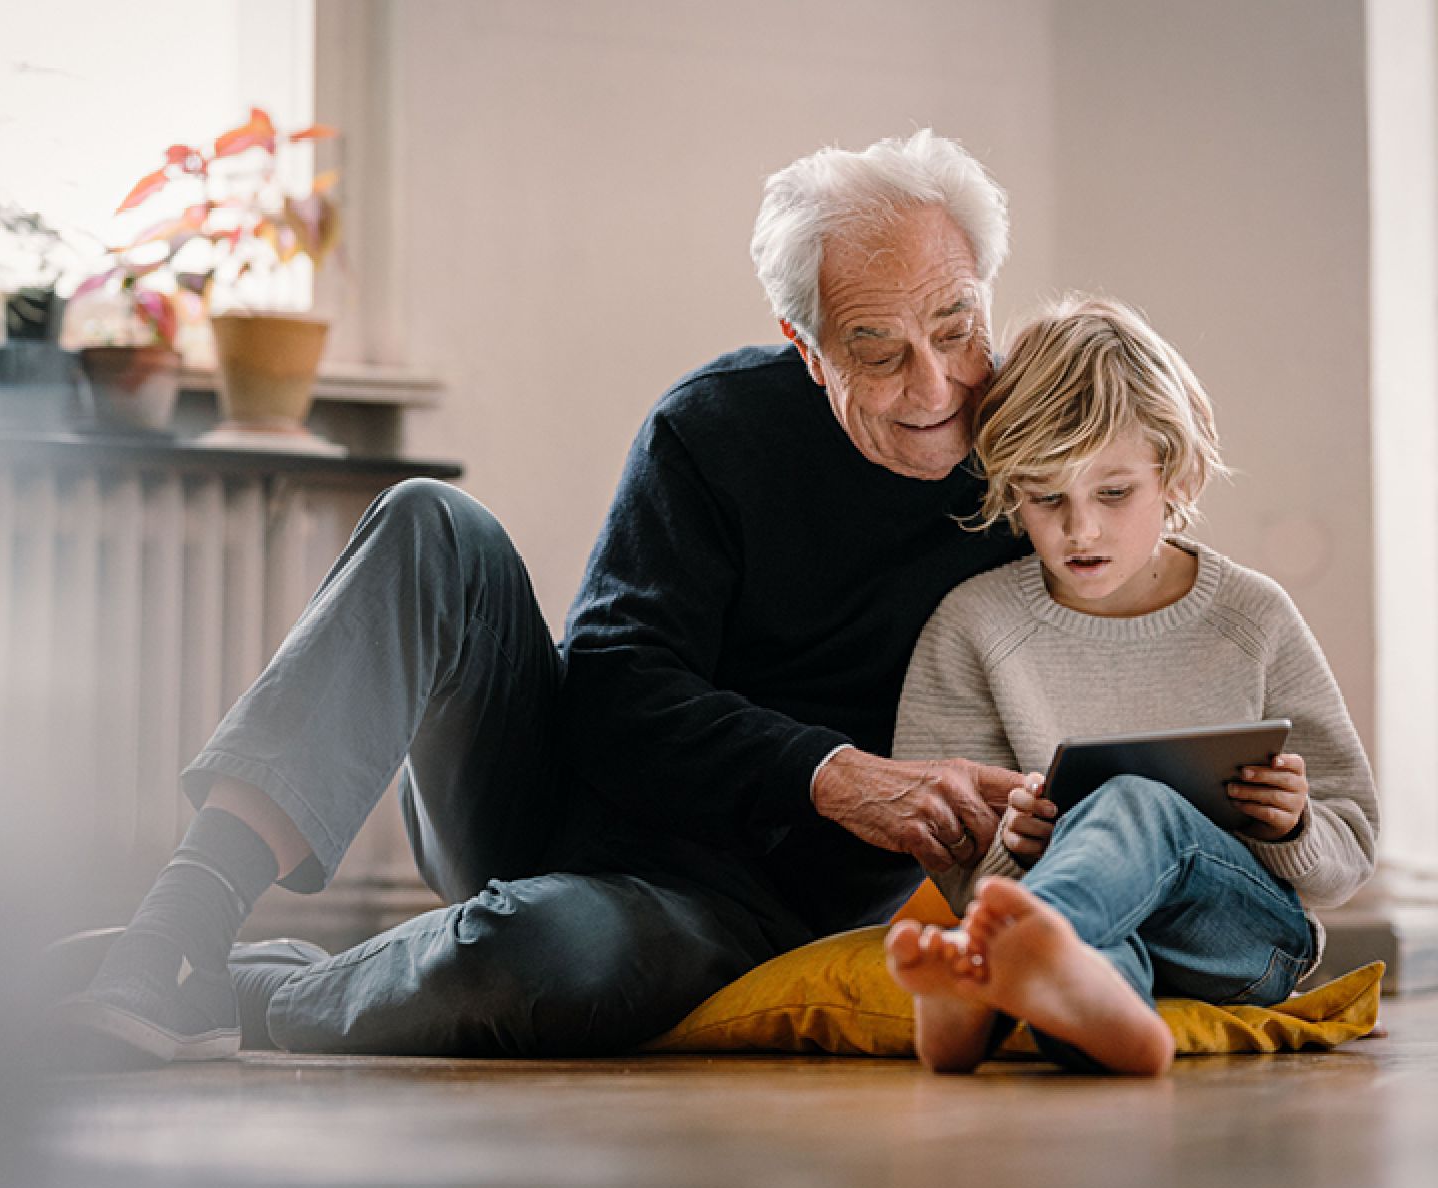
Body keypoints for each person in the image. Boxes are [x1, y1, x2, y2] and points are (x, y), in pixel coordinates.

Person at [52, 130, 1033, 1065]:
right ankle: (173, 933)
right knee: (430, 519)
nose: (935, 382)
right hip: (542, 799)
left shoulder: (1036, 474)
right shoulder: (717, 428)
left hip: (736, 911)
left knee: (553, 954)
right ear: (804, 343)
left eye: (957, 328)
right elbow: (614, 688)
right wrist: (830, 771)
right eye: (876, 348)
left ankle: (239, 993)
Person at [883, 295, 1379, 1076]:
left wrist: (1292, 828)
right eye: (1047, 497)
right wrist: (1015, 849)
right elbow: (950, 858)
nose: (1081, 529)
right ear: (1011, 490)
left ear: (1173, 476)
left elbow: (1352, 847)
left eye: (1114, 494)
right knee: (1080, 951)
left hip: (1242, 940)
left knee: (1135, 803)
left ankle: (983, 984)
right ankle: (1082, 1005)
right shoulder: (973, 624)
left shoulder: (1251, 616)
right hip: (1096, 933)